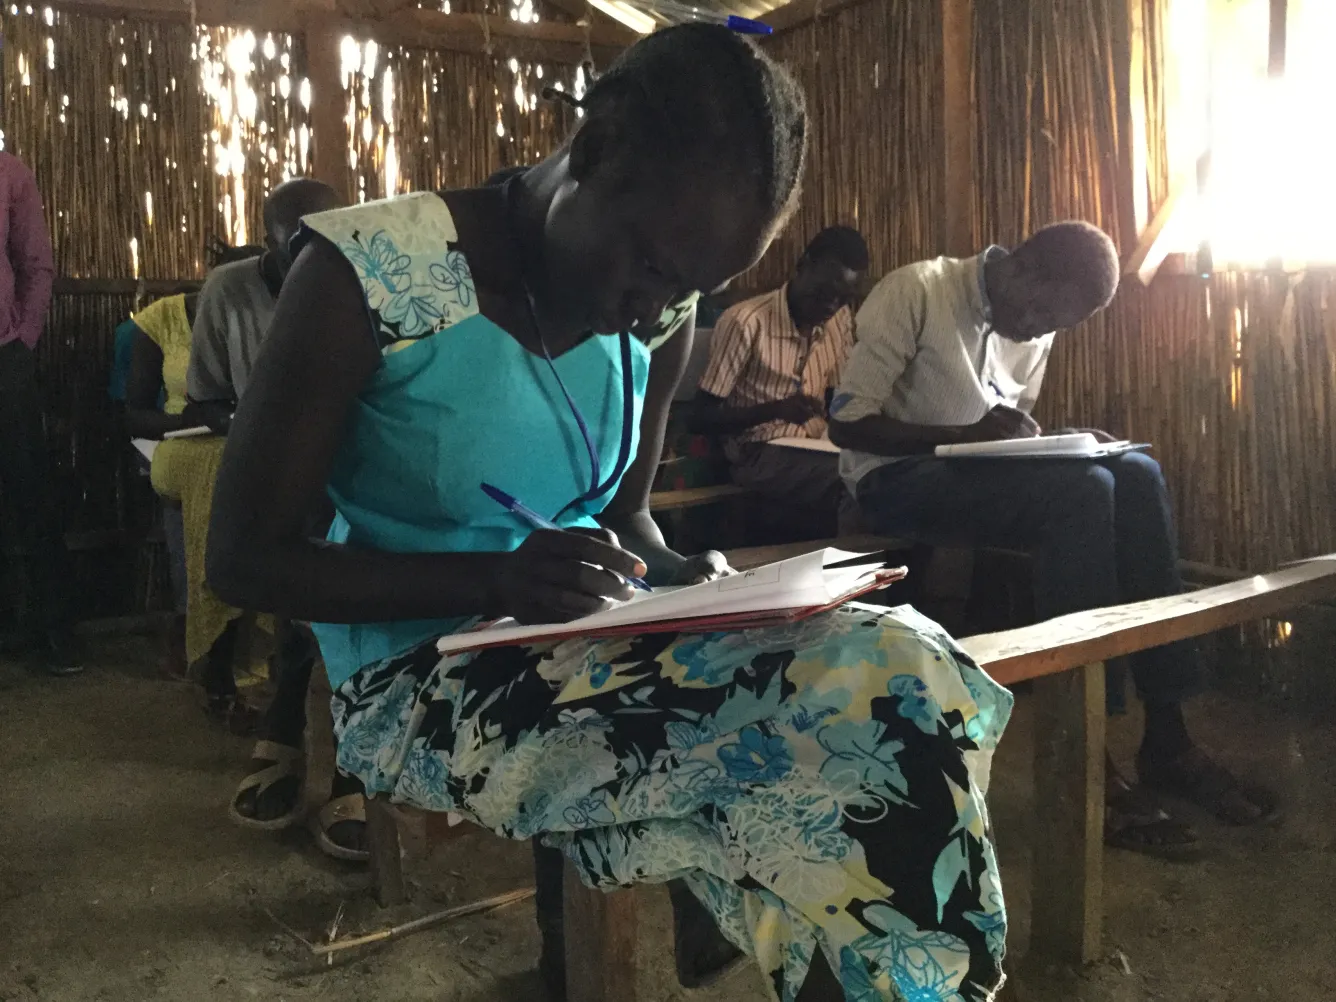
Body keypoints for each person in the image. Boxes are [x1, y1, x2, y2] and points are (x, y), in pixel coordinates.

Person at [207, 25, 1011, 1002]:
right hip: (422, 681)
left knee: (907, 665)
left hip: (584, 640)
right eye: (649, 266)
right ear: (590, 156)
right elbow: (244, 559)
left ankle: (893, 984)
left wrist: (706, 586)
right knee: (842, 740)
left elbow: (628, 522)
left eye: (689, 290)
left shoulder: (659, 319)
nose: (654, 308)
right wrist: (490, 579)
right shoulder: (366, 275)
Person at [829, 221, 1279, 861]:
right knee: (1083, 493)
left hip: (975, 477)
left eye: (1053, 326)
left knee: (1136, 473)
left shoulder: (1033, 326)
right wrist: (961, 437)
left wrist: (1043, 442)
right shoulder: (917, 291)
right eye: (1038, 311)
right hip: (894, 479)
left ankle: (1168, 736)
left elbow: (1003, 435)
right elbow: (846, 425)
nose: (1036, 330)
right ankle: (1086, 754)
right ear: (1019, 266)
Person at [690, 227, 867, 538]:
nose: (831, 306)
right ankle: (858, 580)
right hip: (757, 453)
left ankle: (891, 579)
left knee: (884, 474)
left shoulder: (838, 320)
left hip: (817, 445)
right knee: (854, 482)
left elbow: (839, 392)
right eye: (824, 294)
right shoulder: (746, 322)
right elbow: (700, 418)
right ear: (803, 266)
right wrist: (775, 410)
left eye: (843, 299)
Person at [0, 151, 79, 675]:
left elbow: (35, 262)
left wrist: (23, 340)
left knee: (29, 486)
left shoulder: (9, 172)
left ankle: (57, 632)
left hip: (4, 354)